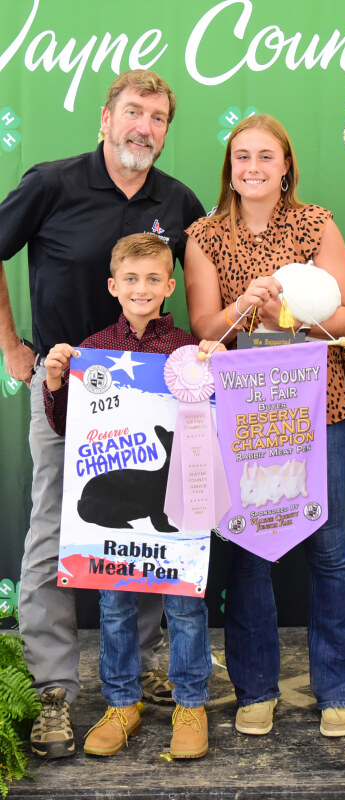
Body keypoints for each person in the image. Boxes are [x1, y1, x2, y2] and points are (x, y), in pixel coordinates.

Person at [0, 69, 205, 759]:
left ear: (166, 131)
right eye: (133, 112)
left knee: (149, 526)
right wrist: (12, 345)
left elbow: (201, 293)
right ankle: (52, 688)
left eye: (158, 117)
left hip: (153, 392)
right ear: (106, 118)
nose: (144, 127)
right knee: (52, 531)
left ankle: (138, 671)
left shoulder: (178, 201)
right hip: (68, 387)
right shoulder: (52, 183)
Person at [184, 114, 345, 738]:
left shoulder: (315, 224)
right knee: (246, 547)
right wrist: (244, 306)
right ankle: (255, 690)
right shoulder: (204, 235)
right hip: (245, 409)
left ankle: (338, 689)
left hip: (317, 402)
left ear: (286, 165)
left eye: (266, 156)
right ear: (229, 167)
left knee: (328, 544)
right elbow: (205, 328)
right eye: (242, 156)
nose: (253, 167)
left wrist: (290, 316)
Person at [43, 233, 223, 759]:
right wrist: (56, 381)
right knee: (115, 604)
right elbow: (66, 428)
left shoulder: (188, 351)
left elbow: (216, 424)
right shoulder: (92, 350)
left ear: (169, 286)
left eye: (152, 279)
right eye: (130, 279)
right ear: (113, 286)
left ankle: (191, 702)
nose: (141, 288)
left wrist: (217, 370)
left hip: (182, 504)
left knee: (185, 606)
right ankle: (122, 703)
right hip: (115, 520)